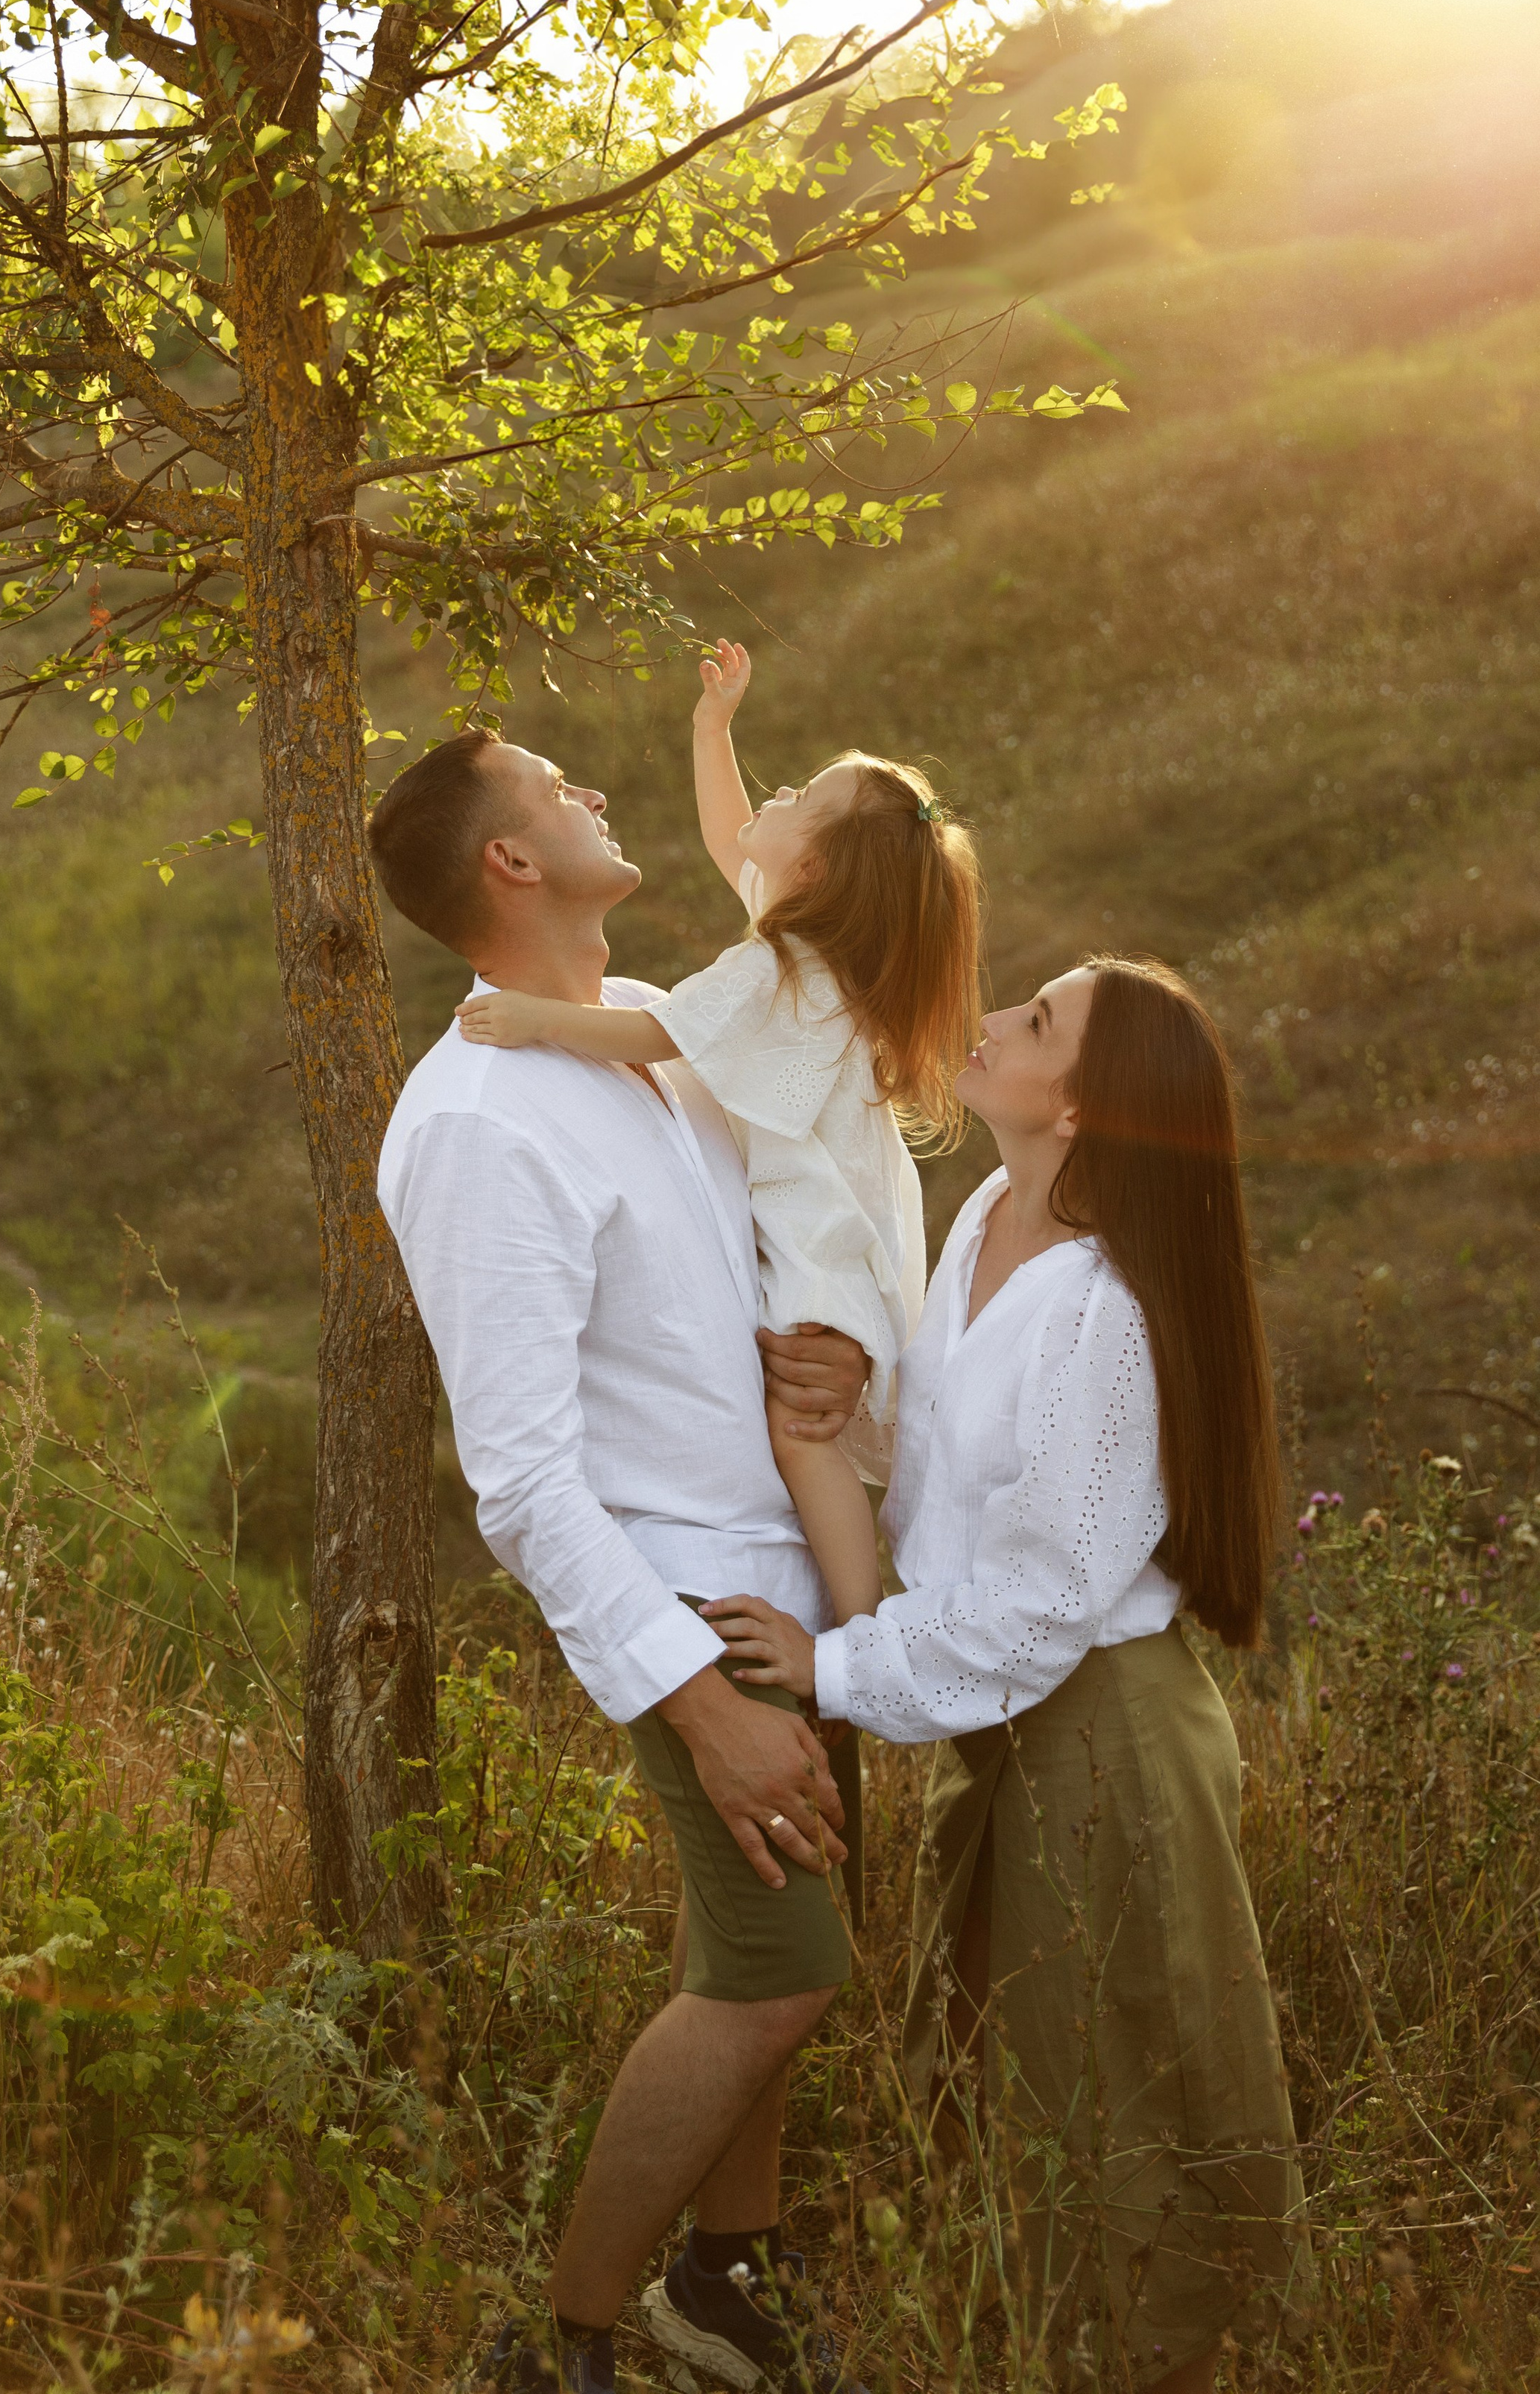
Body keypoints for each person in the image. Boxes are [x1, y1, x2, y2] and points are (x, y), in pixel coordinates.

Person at [706, 957, 1313, 2394]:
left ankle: (1134, 2364)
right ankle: (1029, 2351)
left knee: (1117, 2090)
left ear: (1087, 1104)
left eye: (1034, 1023)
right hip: (1020, 1726)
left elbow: (1043, 1601)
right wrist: (837, 1418)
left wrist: (836, 1662)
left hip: (1107, 1736)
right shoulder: (988, 1217)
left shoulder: (1102, 1305)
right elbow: (944, 1489)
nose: (989, 1025)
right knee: (1013, 2063)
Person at [370, 726, 875, 2394]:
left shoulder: (653, 1033)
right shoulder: (475, 1120)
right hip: (693, 1609)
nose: (592, 789)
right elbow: (513, 1480)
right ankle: (561, 2338)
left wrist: (831, 1357)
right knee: (782, 1976)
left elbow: (764, 1255)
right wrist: (694, 1698)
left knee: (759, 1948)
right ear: (509, 863)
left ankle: (725, 2277)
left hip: (790, 1585)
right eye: (554, 785)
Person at [456, 637, 981, 1628]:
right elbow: (728, 832)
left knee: (802, 1430)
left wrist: (543, 1022)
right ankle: (861, 1609)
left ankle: (859, 1620)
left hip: (824, 1230)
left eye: (798, 797)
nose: (771, 799)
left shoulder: (788, 965)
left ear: (815, 864)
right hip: (837, 1217)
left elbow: (658, 1033)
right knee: (803, 1430)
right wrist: (712, 726)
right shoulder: (808, 938)